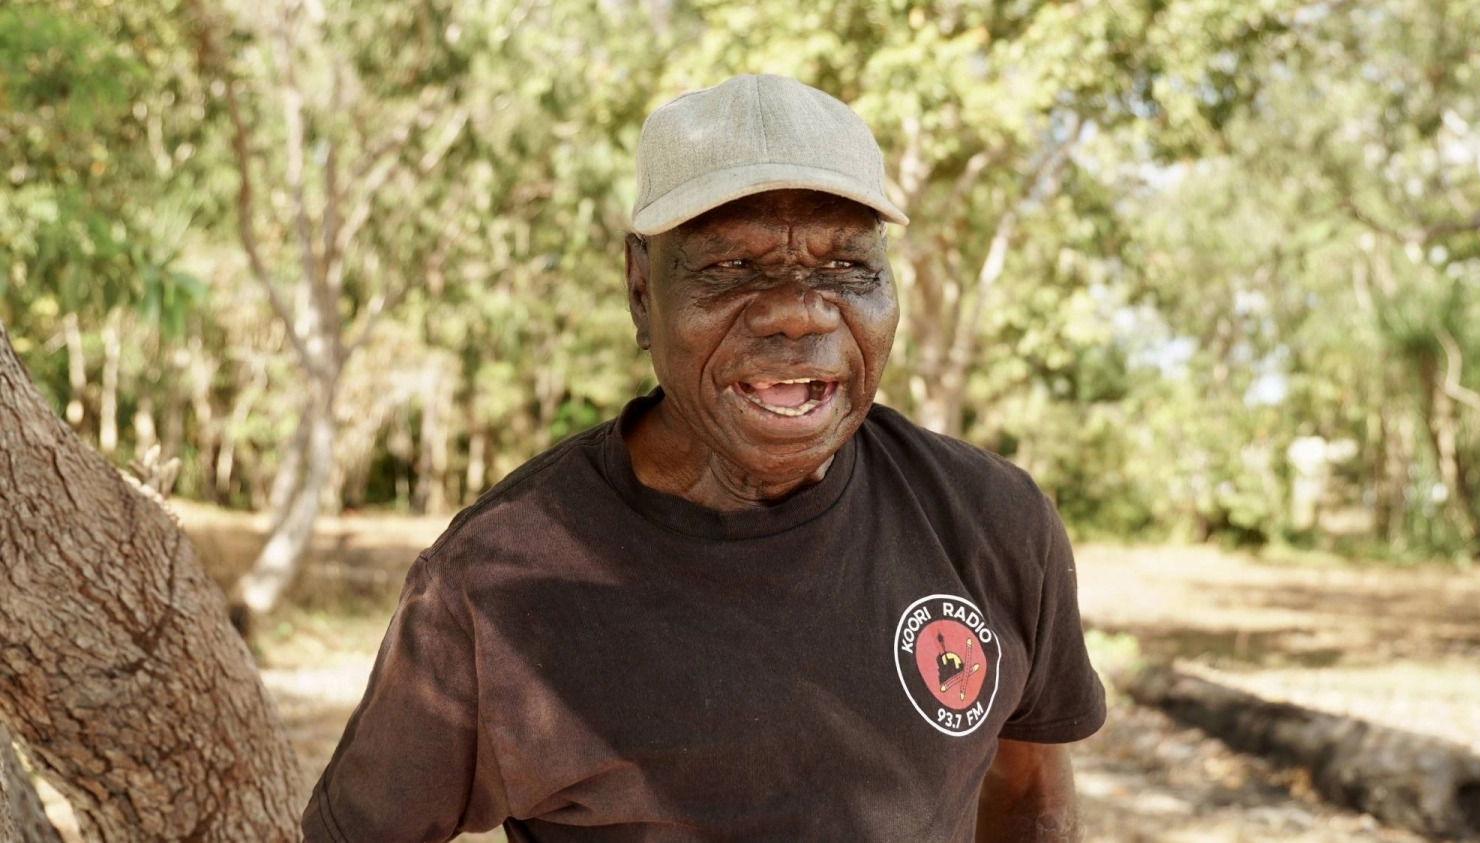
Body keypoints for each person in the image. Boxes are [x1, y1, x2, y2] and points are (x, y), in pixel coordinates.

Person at [303, 73, 1105, 843]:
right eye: (731, 267)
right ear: (640, 289)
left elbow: (1027, 784)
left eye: (845, 265)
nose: (798, 311)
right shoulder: (494, 583)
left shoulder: (993, 521)